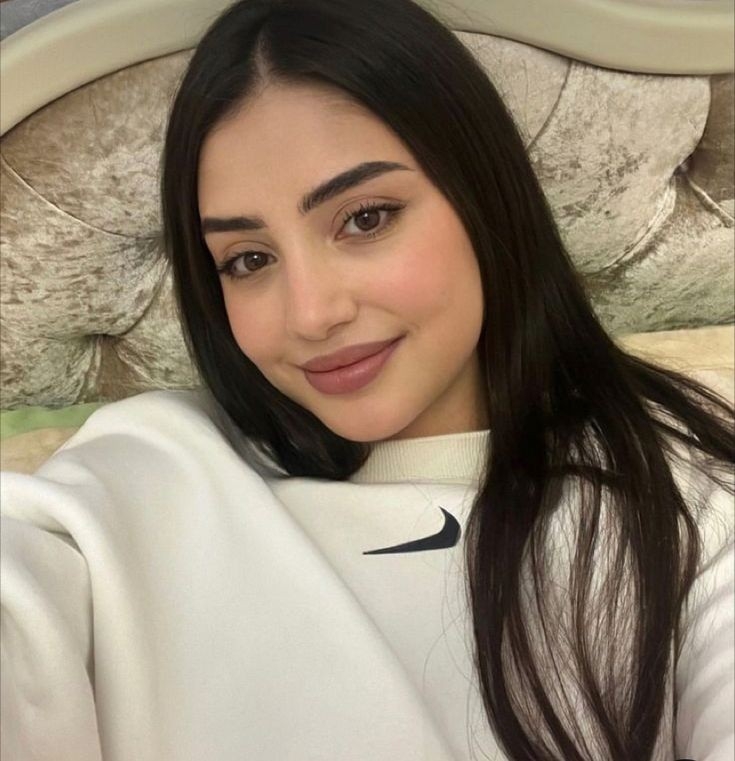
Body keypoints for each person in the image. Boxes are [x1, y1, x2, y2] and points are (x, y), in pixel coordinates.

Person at [1, 0, 733, 759]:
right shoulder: (143, 469)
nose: (312, 314)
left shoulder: (687, 495)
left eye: (366, 218)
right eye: (248, 259)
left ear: (484, 198)